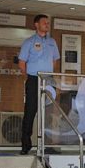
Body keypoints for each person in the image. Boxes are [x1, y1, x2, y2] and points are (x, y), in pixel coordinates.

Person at [17, 14, 60, 154]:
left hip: (48, 80)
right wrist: (30, 76)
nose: (47, 24)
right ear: (36, 25)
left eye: (48, 23)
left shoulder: (52, 42)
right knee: (30, 112)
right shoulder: (29, 42)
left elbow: (55, 61)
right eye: (44, 22)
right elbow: (22, 63)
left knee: (49, 114)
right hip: (34, 79)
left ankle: (48, 145)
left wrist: (50, 75)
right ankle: (26, 146)